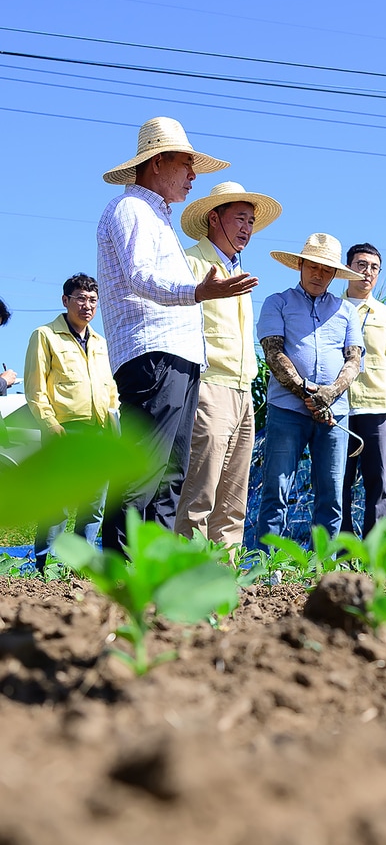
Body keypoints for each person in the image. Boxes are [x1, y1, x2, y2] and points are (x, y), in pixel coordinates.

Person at [96, 116, 257, 553]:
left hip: (180, 358)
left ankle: (153, 576)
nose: (192, 176)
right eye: (186, 165)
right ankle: (119, 576)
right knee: (144, 473)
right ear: (157, 162)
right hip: (152, 355)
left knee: (170, 476)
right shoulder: (130, 209)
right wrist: (198, 291)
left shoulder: (157, 217)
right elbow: (140, 276)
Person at [173, 182, 282, 546]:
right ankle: (187, 579)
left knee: (234, 501)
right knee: (199, 495)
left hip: (243, 390)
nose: (247, 228)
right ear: (213, 217)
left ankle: (225, 587)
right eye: (240, 218)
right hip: (208, 386)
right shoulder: (190, 261)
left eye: (251, 221)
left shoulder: (239, 270)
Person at [254, 234, 364, 546]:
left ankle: (321, 568)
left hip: (335, 412)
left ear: (334, 274)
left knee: (331, 491)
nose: (318, 274)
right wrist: (307, 393)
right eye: (313, 267)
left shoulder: (346, 311)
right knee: (276, 487)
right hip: (287, 410)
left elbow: (353, 359)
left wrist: (330, 394)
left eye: (326, 270)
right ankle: (267, 564)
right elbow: (273, 353)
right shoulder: (278, 302)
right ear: (300, 265)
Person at [24, 274, 118, 567]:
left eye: (92, 300)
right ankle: (45, 568)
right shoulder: (45, 335)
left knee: (93, 505)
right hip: (65, 430)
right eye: (80, 298)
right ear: (65, 301)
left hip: (100, 431)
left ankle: (79, 567)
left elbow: (110, 388)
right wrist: (50, 425)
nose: (87, 306)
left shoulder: (101, 342)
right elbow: (35, 388)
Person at [340, 243, 386, 537]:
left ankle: (373, 553)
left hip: (377, 407)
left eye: (374, 268)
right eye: (361, 265)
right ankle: (339, 553)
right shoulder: (332, 309)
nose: (367, 272)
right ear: (348, 268)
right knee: (337, 484)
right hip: (338, 408)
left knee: (379, 484)